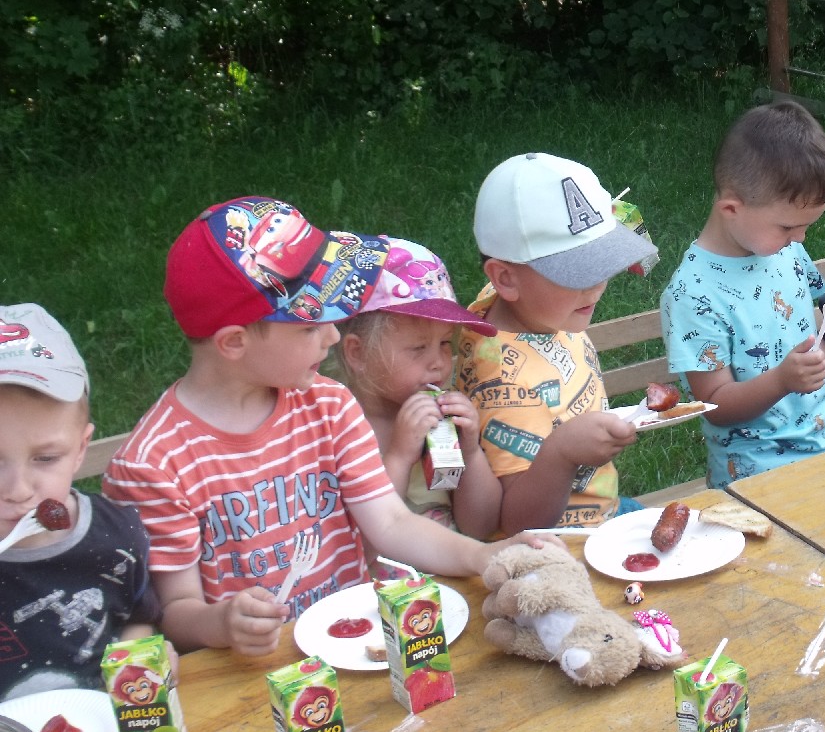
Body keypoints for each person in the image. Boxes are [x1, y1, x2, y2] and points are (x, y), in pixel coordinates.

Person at [103, 196, 552, 657]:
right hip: (249, 672)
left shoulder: (329, 404)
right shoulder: (154, 464)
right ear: (234, 342)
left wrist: (482, 555)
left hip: (354, 645)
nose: (333, 335)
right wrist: (220, 624)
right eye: (309, 326)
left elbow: (392, 522)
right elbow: (175, 612)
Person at [660, 101, 825, 487]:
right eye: (788, 227)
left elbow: (811, 346)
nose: (800, 238)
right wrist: (780, 381)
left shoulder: (784, 252)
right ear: (731, 209)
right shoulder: (694, 295)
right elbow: (714, 405)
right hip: (757, 475)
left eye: (806, 226)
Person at [457, 152, 650, 534]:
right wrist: (561, 453)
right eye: (575, 272)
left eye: (601, 262)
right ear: (505, 279)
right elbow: (518, 526)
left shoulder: (531, 307)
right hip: (562, 543)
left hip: (606, 510)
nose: (597, 285)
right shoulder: (506, 384)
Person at [0, 303, 161, 699]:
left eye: (45, 459)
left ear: (79, 449)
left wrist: (138, 661)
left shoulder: (116, 539)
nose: (18, 489)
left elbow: (139, 620)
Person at [331, 237, 502, 538]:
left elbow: (482, 527)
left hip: (456, 559)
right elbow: (361, 540)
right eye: (418, 348)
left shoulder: (443, 420)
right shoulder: (342, 429)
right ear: (358, 353)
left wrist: (470, 452)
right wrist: (399, 457)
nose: (438, 363)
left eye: (444, 343)